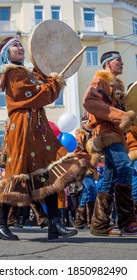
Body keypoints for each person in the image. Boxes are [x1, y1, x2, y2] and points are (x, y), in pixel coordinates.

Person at [0, 37, 89, 240]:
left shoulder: (25, 72)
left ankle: (54, 224)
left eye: (20, 44)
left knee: (48, 171)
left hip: (37, 127)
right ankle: (0, 225)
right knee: (15, 174)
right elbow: (36, 93)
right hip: (23, 127)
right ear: (5, 54)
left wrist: (51, 75)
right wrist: (54, 84)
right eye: (14, 46)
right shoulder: (12, 73)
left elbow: (43, 81)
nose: (20, 47)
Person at [83, 50, 137, 236]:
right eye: (118, 60)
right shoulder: (100, 81)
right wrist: (122, 115)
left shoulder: (117, 85)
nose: (122, 63)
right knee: (125, 167)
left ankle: (99, 224)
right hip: (106, 134)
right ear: (108, 64)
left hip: (116, 135)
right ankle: (127, 220)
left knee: (110, 177)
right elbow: (89, 102)